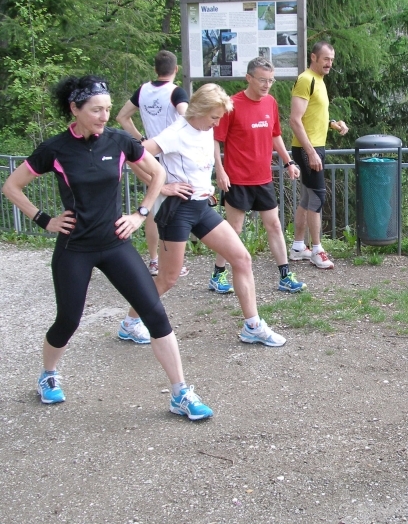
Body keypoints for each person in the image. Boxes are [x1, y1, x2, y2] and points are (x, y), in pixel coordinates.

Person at [1, 75, 213, 420]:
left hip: (115, 244)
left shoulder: (117, 142)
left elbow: (157, 173)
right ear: (75, 109)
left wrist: (141, 213)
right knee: (67, 320)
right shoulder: (56, 149)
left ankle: (180, 393)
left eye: (108, 109)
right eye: (96, 110)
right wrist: (45, 220)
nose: (104, 116)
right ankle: (48, 375)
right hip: (75, 248)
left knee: (155, 313)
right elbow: (12, 186)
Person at [123, 83, 287, 348]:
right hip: (175, 209)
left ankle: (253, 326)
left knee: (242, 258)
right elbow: (134, 156)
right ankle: (130, 322)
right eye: (214, 117)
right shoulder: (176, 132)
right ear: (199, 110)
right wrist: (162, 186)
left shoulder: (204, 128)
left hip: (200, 206)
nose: (217, 122)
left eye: (220, 117)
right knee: (168, 278)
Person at [209, 57, 306, 295]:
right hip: (237, 179)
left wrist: (288, 161)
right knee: (234, 229)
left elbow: (275, 135)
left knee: (274, 224)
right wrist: (220, 171)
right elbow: (215, 140)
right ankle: (217, 274)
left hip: (263, 178)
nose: (266, 85)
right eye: (262, 80)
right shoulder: (231, 105)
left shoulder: (270, 102)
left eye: (271, 80)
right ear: (249, 78)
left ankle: (285, 275)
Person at [116, 50, 189, 277]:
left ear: (155, 69)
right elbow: (187, 117)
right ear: (176, 69)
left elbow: (121, 117)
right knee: (174, 207)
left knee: (153, 206)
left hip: (149, 155)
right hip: (171, 155)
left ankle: (155, 260)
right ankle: (171, 261)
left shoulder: (144, 90)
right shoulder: (176, 92)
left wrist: (141, 140)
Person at [289, 40, 349, 269]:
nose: (329, 64)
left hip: (315, 146)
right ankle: (316, 249)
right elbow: (295, 120)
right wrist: (311, 152)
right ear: (313, 57)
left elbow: (312, 115)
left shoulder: (319, 81)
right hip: (309, 149)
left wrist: (334, 123)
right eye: (325, 59)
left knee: (307, 198)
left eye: (332, 60)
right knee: (317, 198)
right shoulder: (306, 79)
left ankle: (297, 247)